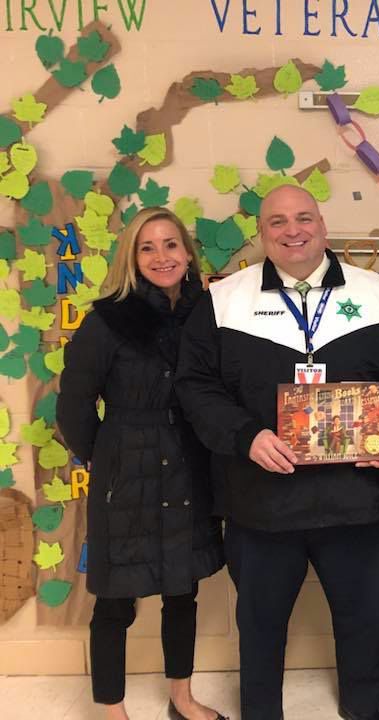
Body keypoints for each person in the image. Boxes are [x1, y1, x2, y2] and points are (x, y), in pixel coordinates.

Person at [175, 184, 379, 720]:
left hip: (354, 498)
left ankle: (366, 710)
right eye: (277, 222)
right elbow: (195, 386)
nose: (292, 230)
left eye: (303, 218)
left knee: (364, 619)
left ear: (322, 223)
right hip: (261, 502)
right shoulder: (224, 300)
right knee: (261, 624)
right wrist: (245, 436)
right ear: (261, 234)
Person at [56, 208, 226, 720]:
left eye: (171, 245)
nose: (161, 256)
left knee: (183, 589)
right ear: (132, 257)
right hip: (126, 473)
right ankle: (112, 709)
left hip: (191, 466)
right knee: (114, 600)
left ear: (187, 254)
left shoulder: (207, 315)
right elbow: (73, 408)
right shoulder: (107, 320)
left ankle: (182, 696)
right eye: (147, 247)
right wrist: (108, 458)